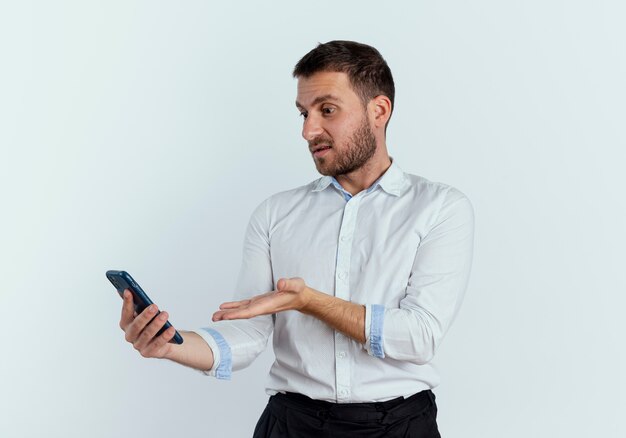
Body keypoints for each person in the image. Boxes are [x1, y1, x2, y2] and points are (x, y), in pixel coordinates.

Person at [119, 40, 474, 437]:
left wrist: (310, 302)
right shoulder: (275, 215)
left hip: (399, 427)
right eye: (304, 113)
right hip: (291, 425)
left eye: (327, 110)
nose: (308, 130)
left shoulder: (440, 208)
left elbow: (418, 336)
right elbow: (248, 335)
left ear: (379, 110)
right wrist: (170, 345)